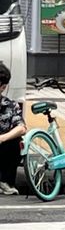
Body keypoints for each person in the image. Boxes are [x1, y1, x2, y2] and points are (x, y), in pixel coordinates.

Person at [0, 61, 26, 195]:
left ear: (3, 87)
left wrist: (2, 138)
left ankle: (5, 182)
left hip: (2, 148)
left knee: (16, 140)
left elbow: (21, 127)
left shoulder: (10, 106)